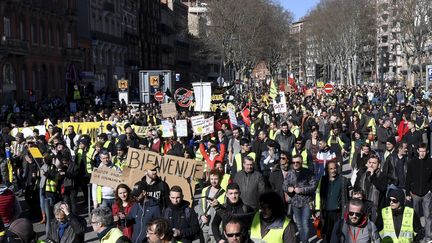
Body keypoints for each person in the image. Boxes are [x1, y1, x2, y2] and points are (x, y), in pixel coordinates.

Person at [283, 155, 316, 243]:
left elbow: (313, 187)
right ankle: (304, 240)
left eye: (297, 162)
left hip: (306, 201)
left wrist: (302, 190)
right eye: (293, 162)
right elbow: (284, 185)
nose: (295, 164)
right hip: (295, 202)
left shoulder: (308, 172)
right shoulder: (290, 173)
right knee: (299, 224)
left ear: (301, 162)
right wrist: (288, 188)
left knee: (305, 224)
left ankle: (305, 241)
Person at [314, 161, 350, 240]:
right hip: (326, 213)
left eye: (334, 168)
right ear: (327, 170)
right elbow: (318, 194)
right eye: (331, 169)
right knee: (327, 234)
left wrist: (346, 212)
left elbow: (347, 198)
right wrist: (317, 209)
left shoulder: (343, 180)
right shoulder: (322, 180)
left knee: (338, 234)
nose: (333, 170)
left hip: (338, 213)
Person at [405, 143, 432, 242]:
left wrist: (430, 190)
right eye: (420, 151)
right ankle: (416, 235)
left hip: (426, 193)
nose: (422, 153)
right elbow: (408, 178)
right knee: (415, 216)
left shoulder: (430, 162)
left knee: (428, 215)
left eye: (424, 151)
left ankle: (428, 237)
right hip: (415, 193)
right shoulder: (412, 162)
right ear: (417, 151)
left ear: (427, 151)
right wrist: (407, 192)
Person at [197, 169, 226, 243]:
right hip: (205, 225)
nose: (213, 181)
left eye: (216, 179)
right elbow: (200, 205)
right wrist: (201, 216)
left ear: (220, 179)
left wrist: (218, 205)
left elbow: (225, 210)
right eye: (211, 179)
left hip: (216, 226)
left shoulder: (224, 193)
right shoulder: (205, 190)